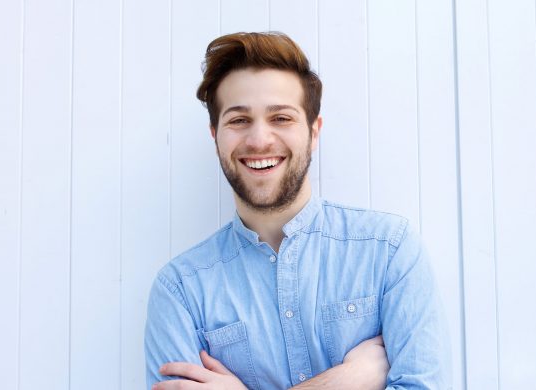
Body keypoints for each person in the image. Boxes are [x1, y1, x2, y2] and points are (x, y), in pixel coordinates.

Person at [144, 32, 451, 390]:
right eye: (239, 120)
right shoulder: (180, 291)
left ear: (313, 131)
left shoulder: (389, 251)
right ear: (215, 135)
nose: (259, 140)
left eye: (281, 118)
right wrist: (346, 380)